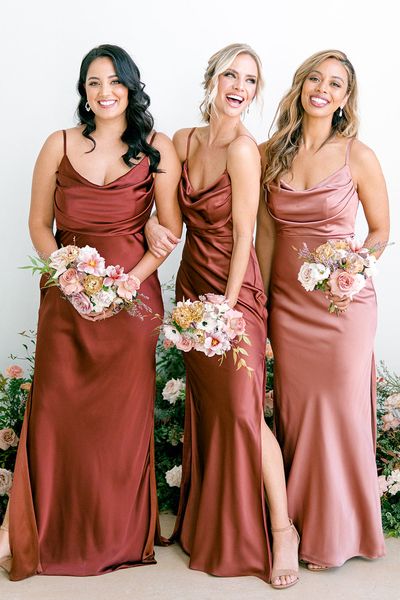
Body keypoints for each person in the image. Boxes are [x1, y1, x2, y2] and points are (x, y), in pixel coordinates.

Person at [0, 44, 181, 580]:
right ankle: (44, 532)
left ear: (130, 86)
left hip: (133, 299)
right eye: (93, 82)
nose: (104, 92)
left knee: (118, 427)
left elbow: (169, 231)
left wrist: (129, 280)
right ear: (83, 91)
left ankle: (115, 535)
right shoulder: (57, 143)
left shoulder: (156, 146)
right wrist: (69, 275)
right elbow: (38, 224)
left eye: (114, 81)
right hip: (66, 295)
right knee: (57, 416)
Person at [145, 43, 299, 589]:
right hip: (192, 289)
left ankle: (282, 531)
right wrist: (147, 229)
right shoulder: (185, 141)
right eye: (231, 74)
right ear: (211, 79)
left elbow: (245, 236)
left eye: (251, 79)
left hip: (233, 295)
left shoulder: (243, 150)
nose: (240, 85)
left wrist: (229, 306)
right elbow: (167, 213)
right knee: (210, 411)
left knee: (243, 411)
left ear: (255, 92)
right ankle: (207, 525)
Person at [256, 49, 390, 570]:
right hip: (289, 306)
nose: (323, 89)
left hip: (344, 305)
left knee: (338, 410)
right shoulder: (270, 154)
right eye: (315, 78)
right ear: (300, 85)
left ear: (345, 99)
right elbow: (265, 236)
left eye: (335, 83)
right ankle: (303, 524)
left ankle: (345, 531)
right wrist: (262, 307)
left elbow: (380, 232)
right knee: (299, 412)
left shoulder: (358, 155)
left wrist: (355, 270)